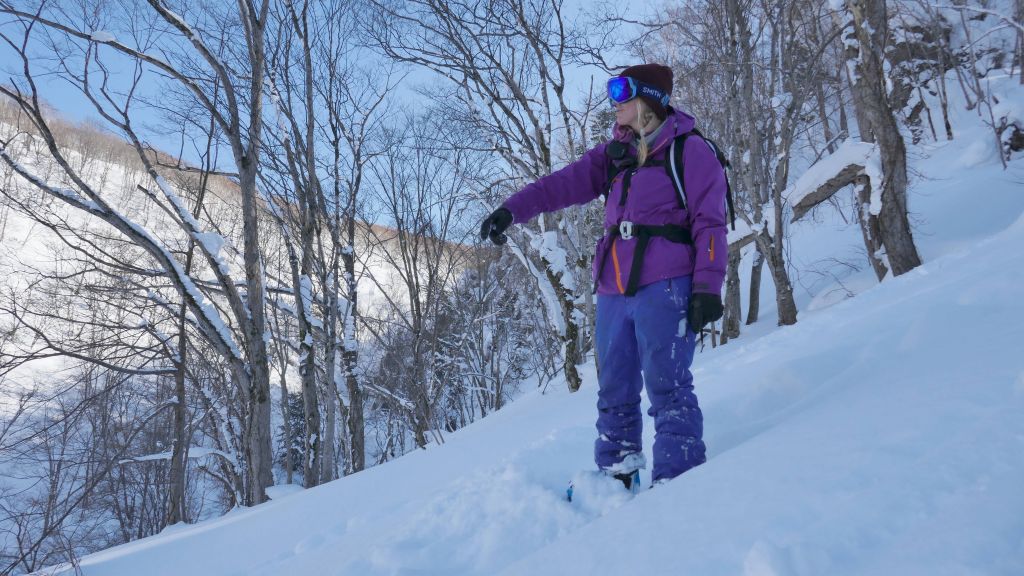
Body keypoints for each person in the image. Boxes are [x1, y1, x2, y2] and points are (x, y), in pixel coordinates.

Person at [479, 63, 727, 490]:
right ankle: (617, 474)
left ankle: (679, 480)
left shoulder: (689, 150)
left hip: (667, 284)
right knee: (614, 387)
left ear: (647, 102)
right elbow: (560, 185)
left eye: (622, 96)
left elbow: (710, 223)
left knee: (668, 386)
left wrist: (707, 286)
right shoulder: (615, 155)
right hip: (614, 287)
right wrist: (511, 210)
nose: (614, 106)